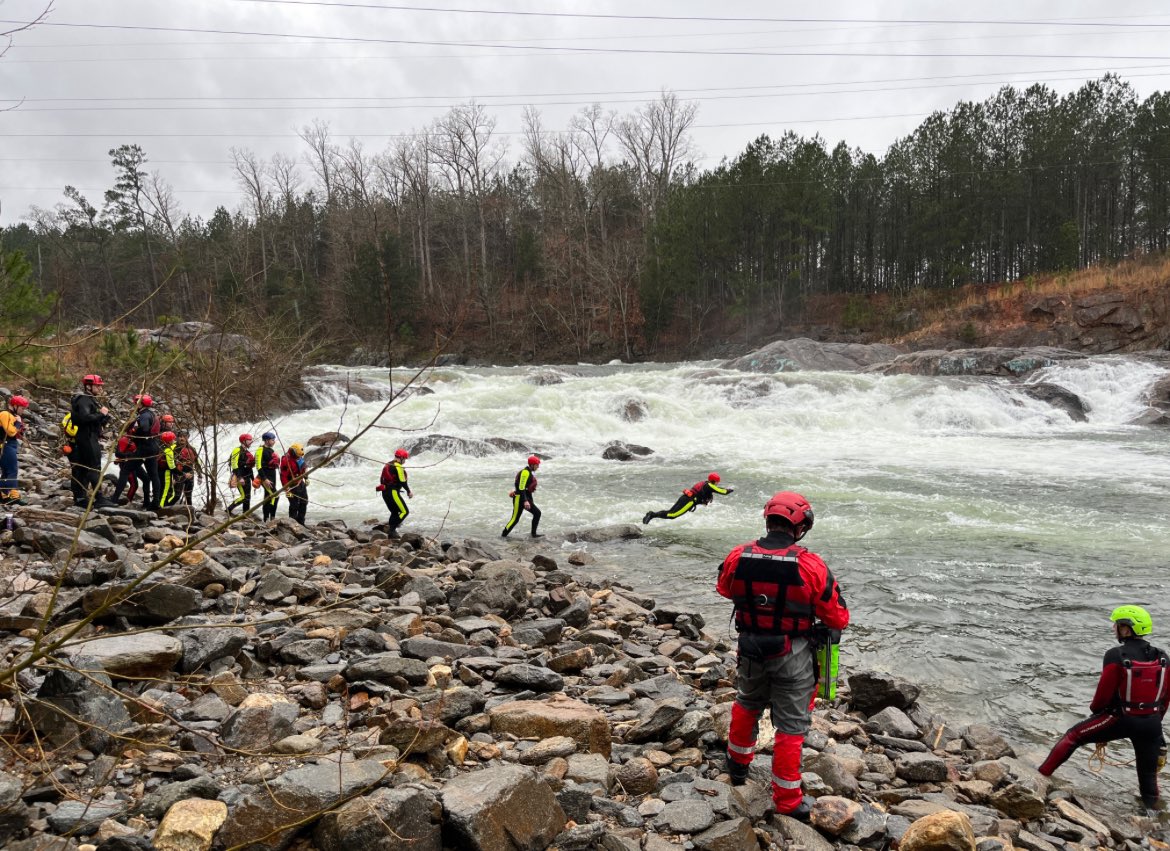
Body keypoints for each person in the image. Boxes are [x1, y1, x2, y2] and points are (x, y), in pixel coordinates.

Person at [717, 491, 850, 819]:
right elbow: (837, 617)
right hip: (792, 652)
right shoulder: (810, 565)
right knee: (791, 725)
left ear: (768, 519)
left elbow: (724, 588)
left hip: (749, 648)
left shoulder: (738, 555)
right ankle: (789, 800)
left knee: (747, 703)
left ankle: (737, 767)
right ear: (800, 526)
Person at [1038, 606, 1169, 809]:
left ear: (1127, 629)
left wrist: (1097, 714)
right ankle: (1154, 821)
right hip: (1152, 724)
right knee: (1148, 779)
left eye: (1116, 625)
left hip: (1119, 719)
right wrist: (1153, 724)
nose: (1113, 628)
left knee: (1073, 736)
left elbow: (1101, 699)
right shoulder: (1162, 657)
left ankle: (1039, 777)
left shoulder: (1115, 655)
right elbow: (1165, 699)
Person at [69, 375, 113, 507]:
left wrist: (104, 418)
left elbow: (91, 419)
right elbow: (85, 418)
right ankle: (98, 498)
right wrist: (102, 414)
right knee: (94, 467)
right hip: (87, 438)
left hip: (85, 437)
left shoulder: (88, 400)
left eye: (100, 386)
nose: (100, 388)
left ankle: (80, 498)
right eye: (97, 386)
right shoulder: (84, 399)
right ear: (88, 386)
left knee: (82, 468)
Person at [644, 472, 733, 524]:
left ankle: (651, 514)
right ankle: (652, 515)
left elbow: (715, 490)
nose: (718, 483)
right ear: (715, 481)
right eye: (717, 482)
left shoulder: (705, 483)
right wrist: (732, 489)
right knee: (672, 515)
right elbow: (723, 491)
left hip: (685, 498)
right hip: (689, 501)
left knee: (670, 512)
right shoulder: (709, 485)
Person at [129, 394, 162, 510]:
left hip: (144, 448)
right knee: (153, 475)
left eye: (137, 403)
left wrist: (133, 433)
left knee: (126, 469)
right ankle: (154, 501)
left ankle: (115, 499)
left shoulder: (144, 416)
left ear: (141, 404)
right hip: (153, 446)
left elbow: (144, 429)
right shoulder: (152, 414)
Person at [502, 455, 542, 538]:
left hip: (524, 497)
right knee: (515, 519)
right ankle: (503, 536)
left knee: (537, 513)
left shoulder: (528, 472)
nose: (538, 467)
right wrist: (525, 501)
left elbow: (524, 488)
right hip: (519, 499)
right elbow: (521, 486)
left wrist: (528, 500)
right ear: (532, 465)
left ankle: (533, 534)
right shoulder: (525, 472)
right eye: (537, 465)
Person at [376, 448, 413, 537]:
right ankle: (392, 530)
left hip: (385, 493)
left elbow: (382, 479)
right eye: (405, 459)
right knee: (404, 511)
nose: (405, 461)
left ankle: (392, 532)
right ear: (401, 458)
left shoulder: (388, 464)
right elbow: (402, 481)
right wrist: (408, 491)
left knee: (395, 512)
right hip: (393, 492)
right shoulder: (398, 466)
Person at [0, 395, 29, 506]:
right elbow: (10, 432)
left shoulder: (14, 416)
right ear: (15, 406)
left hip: (10, 444)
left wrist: (21, 429)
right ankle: (11, 496)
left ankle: (5, 495)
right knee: (12, 470)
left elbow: (16, 434)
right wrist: (17, 423)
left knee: (7, 471)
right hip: (5, 445)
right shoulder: (5, 414)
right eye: (22, 408)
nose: (23, 410)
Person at [111, 430, 143, 506]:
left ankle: (125, 501)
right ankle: (121, 501)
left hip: (132, 463)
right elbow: (118, 454)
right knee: (133, 484)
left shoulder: (135, 440)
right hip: (125, 463)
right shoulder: (124, 440)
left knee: (135, 483)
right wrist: (130, 455)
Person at [254, 431, 281, 521]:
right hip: (265, 477)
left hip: (272, 475)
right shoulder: (260, 450)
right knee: (275, 496)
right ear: (266, 440)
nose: (274, 442)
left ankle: (266, 518)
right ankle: (271, 517)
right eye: (272, 440)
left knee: (268, 497)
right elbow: (258, 466)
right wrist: (264, 479)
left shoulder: (271, 450)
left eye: (274, 440)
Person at [227, 433, 255, 516]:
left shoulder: (248, 452)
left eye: (251, 440)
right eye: (249, 440)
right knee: (244, 497)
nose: (251, 441)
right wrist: (239, 477)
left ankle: (246, 514)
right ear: (243, 441)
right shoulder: (237, 450)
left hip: (247, 477)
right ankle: (228, 509)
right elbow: (234, 464)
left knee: (248, 497)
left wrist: (253, 479)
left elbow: (249, 468)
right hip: (240, 477)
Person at [280, 443, 308, 525]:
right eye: (298, 456)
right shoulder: (286, 460)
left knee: (304, 502)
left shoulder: (300, 457)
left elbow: (304, 468)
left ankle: (301, 522)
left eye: (300, 456)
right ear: (293, 452)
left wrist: (306, 478)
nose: (300, 457)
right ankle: (293, 524)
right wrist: (286, 489)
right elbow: (283, 476)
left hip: (300, 482)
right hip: (291, 485)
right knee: (294, 504)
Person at [175, 430, 201, 506]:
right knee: (176, 496)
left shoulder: (192, 449)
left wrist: (200, 475)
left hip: (190, 473)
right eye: (180, 436)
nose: (182, 438)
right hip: (178, 474)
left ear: (188, 437)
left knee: (189, 496)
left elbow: (196, 463)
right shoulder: (174, 448)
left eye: (184, 437)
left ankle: (189, 513)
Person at [156, 431, 179, 508]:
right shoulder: (168, 451)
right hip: (166, 473)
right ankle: (160, 508)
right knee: (166, 491)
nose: (174, 441)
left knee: (160, 490)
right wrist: (182, 474)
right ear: (169, 441)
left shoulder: (160, 447)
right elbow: (172, 467)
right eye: (173, 439)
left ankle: (158, 505)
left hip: (158, 472)